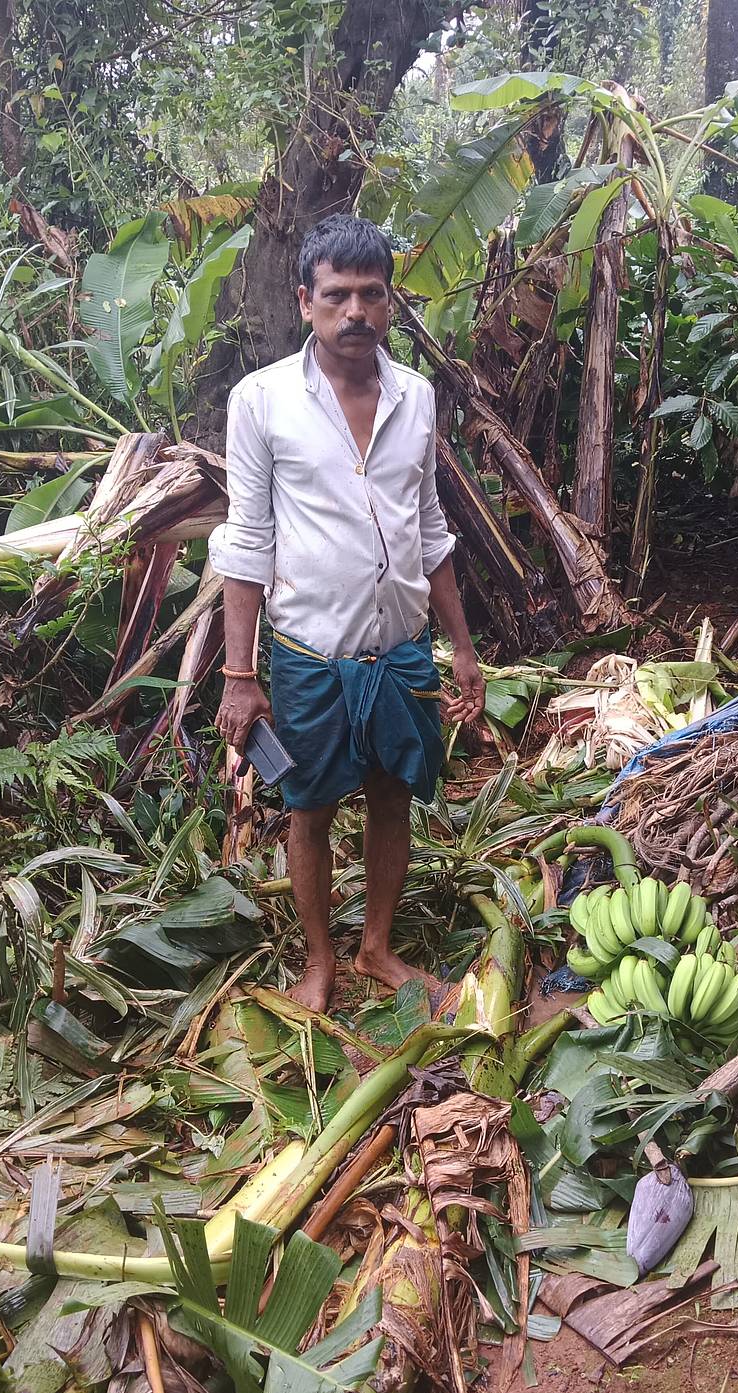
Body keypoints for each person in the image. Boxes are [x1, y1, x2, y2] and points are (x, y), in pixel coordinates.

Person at [210, 214, 485, 1012]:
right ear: (306, 301)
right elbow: (247, 542)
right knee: (311, 808)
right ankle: (321, 962)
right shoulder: (262, 402)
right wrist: (238, 674)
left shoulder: (417, 397)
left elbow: (429, 528)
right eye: (337, 296)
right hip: (310, 653)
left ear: (391, 302)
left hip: (399, 649)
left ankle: (376, 948)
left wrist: (461, 646)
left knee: (393, 793)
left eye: (371, 294)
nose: (354, 312)